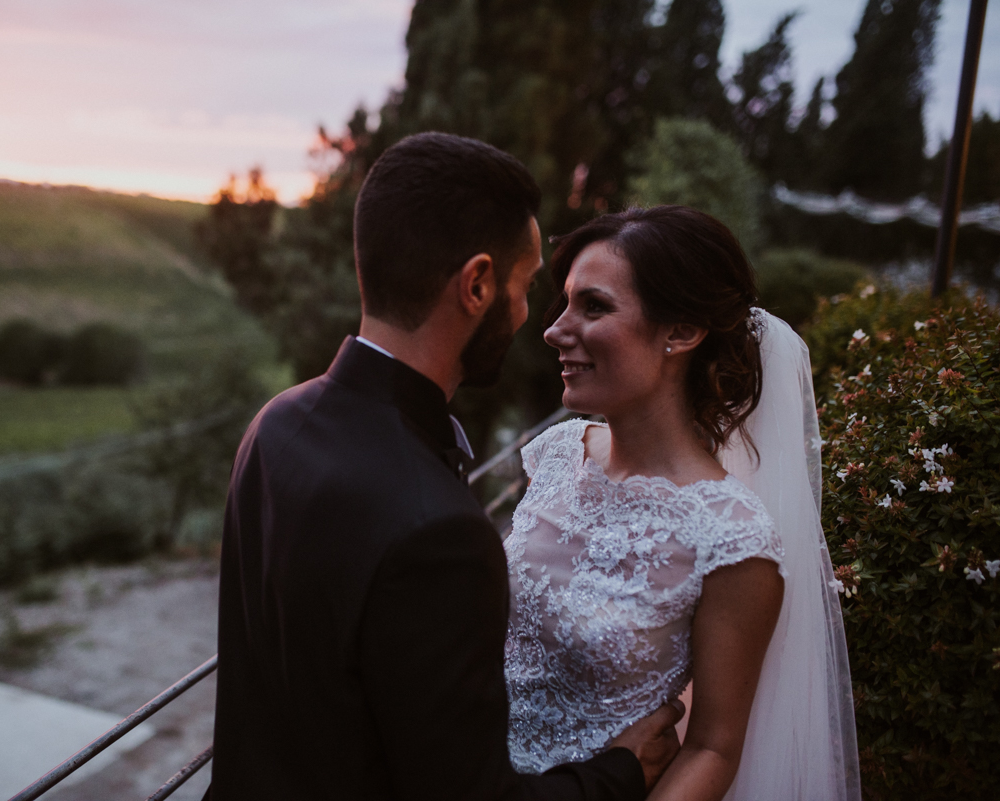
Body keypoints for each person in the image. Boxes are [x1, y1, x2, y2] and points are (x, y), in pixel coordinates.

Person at [205, 133, 684, 800]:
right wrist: (621, 771)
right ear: (477, 284)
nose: (535, 319)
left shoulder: (277, 423)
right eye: (525, 285)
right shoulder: (439, 531)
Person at [504, 206, 860, 800]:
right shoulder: (556, 455)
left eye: (593, 306)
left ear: (681, 332)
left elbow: (712, 749)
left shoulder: (733, 538)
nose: (555, 330)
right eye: (565, 304)